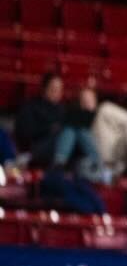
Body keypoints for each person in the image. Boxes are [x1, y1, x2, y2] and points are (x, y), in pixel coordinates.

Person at [14, 75, 106, 214]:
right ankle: (97, 165)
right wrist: (50, 128)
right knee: (70, 129)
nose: (56, 92)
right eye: (53, 88)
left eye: (59, 89)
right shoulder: (31, 107)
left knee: (77, 129)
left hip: (61, 149)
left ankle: (69, 162)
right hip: (38, 149)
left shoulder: (63, 110)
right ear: (44, 89)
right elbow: (24, 132)